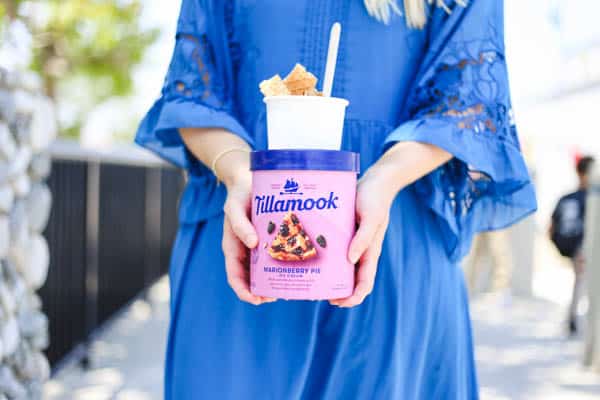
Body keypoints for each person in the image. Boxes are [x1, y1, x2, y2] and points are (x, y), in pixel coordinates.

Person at [135, 1, 537, 398]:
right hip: (240, 244)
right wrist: (240, 171)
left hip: (390, 246)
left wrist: (382, 180)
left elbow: (466, 105)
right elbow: (192, 95)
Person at [550, 155, 595, 336]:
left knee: (580, 286)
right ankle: (575, 320)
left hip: (575, 250)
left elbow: (551, 228)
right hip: (583, 249)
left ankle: (574, 320)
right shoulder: (590, 198)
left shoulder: (566, 198)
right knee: (583, 286)